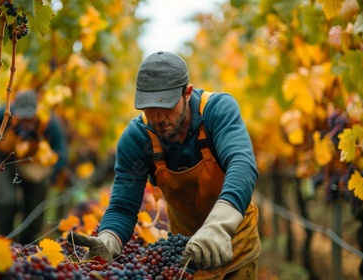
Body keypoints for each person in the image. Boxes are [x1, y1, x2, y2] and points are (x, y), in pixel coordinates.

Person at [70, 51, 261, 279]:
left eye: (167, 106)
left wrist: (218, 227)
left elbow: (242, 165)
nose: (158, 118)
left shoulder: (218, 111)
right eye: (149, 108)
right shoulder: (137, 139)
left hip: (235, 243)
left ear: (187, 93)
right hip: (185, 258)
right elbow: (123, 205)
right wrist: (108, 239)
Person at [0, 89, 68, 244]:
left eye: (30, 117)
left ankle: (28, 243)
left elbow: (61, 151)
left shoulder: (49, 122)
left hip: (33, 168)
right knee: (8, 201)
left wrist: (52, 175)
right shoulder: (4, 114)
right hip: (5, 164)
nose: (26, 122)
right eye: (23, 117)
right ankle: (5, 242)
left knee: (34, 205)